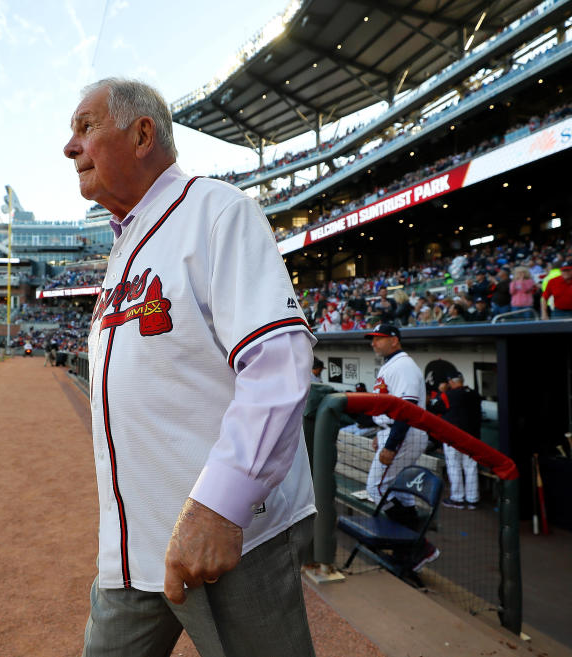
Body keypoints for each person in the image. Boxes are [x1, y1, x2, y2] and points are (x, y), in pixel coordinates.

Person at [65, 78, 317, 657]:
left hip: (222, 540)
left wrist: (218, 507)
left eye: (85, 127)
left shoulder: (215, 211)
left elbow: (278, 364)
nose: (70, 146)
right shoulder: (124, 243)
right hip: (131, 547)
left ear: (142, 134)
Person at [364, 323, 439, 572]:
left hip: (405, 434)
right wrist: (381, 433)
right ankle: (406, 547)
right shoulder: (393, 365)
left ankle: (419, 546)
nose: (373, 342)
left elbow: (406, 410)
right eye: (372, 339)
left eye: (379, 338)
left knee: (376, 487)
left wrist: (391, 445)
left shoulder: (404, 366)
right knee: (400, 493)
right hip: (396, 432)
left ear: (394, 340)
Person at [433, 372, 482, 509]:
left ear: (451, 382)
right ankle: (472, 500)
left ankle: (458, 499)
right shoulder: (474, 394)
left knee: (454, 467)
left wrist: (440, 392)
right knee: (470, 467)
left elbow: (435, 406)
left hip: (453, 437)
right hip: (472, 437)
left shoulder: (449, 395)